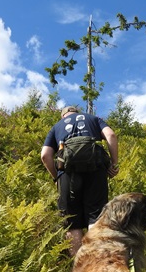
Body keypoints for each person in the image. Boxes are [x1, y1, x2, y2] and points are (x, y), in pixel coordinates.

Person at [41, 106, 119, 255]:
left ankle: (78, 268)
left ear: (63, 116)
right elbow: (111, 136)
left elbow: (45, 155)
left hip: (67, 174)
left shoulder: (57, 126)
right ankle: (97, 261)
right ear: (77, 113)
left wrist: (56, 177)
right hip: (95, 168)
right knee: (96, 217)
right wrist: (114, 164)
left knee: (72, 222)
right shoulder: (93, 119)